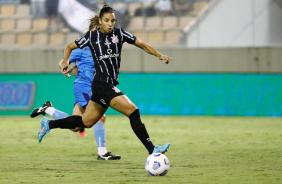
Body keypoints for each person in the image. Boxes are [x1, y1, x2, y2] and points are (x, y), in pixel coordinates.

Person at [38, 4, 172, 155]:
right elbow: (69, 46)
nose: (110, 24)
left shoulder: (120, 34)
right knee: (133, 112)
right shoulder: (91, 37)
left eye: (113, 21)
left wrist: (159, 55)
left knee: (85, 122)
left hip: (103, 85)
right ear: (100, 21)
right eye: (107, 20)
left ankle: (49, 124)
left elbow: (141, 44)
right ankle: (153, 150)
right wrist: (65, 61)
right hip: (103, 84)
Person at [31, 16, 121, 160]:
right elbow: (64, 61)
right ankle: (102, 153)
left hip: (95, 87)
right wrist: (64, 67)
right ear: (93, 29)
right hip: (84, 87)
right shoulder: (82, 48)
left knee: (75, 126)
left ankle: (48, 110)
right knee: (99, 117)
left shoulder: (104, 47)